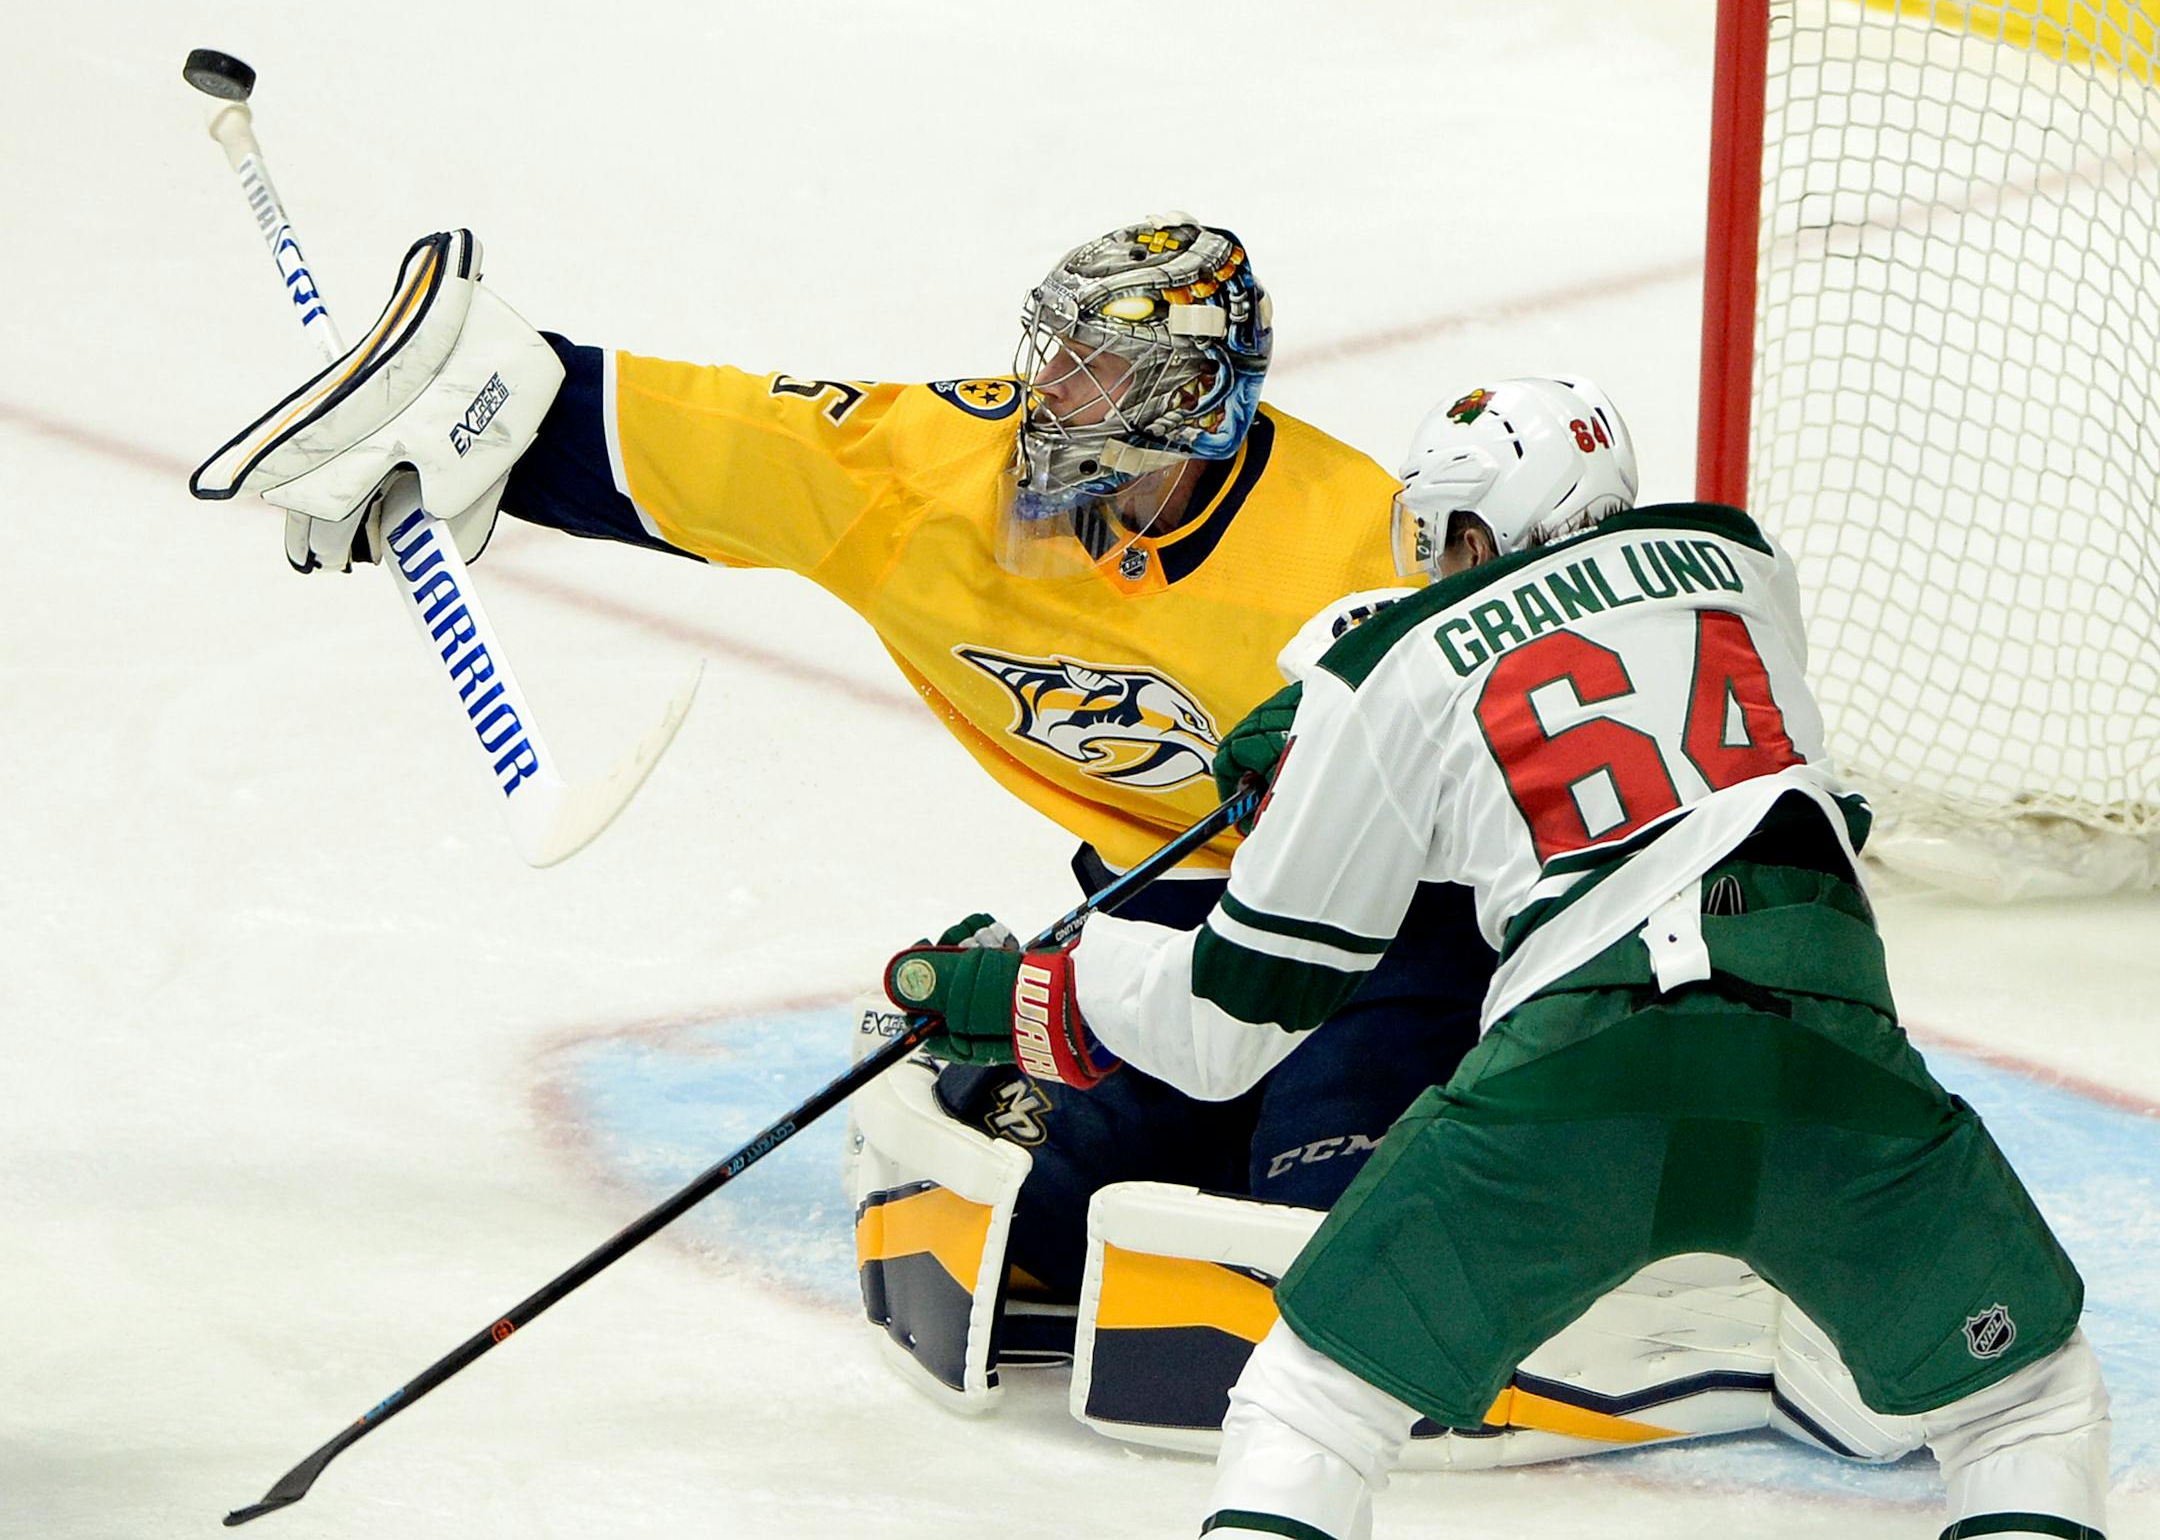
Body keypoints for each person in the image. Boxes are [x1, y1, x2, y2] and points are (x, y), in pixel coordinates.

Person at [880, 376, 2111, 1538]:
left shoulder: (1386, 670)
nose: (1432, 562)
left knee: (1311, 1400)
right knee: (2029, 1404)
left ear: (1480, 529)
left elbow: (1228, 1022)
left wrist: (1048, 985)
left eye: (1446, 532)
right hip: (1834, 1057)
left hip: (1579, 1066)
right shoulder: (1743, 561)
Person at [187, 219, 1496, 1302]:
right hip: (1166, 909)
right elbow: (717, 446)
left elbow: (1534, 757)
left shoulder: (1365, 548)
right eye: (1063, 357)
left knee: (1333, 1246)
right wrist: (486, 415)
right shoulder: (933, 478)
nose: (1058, 394)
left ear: (1196, 400)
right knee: (1042, 1238)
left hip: (1382, 921)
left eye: (1104, 373)